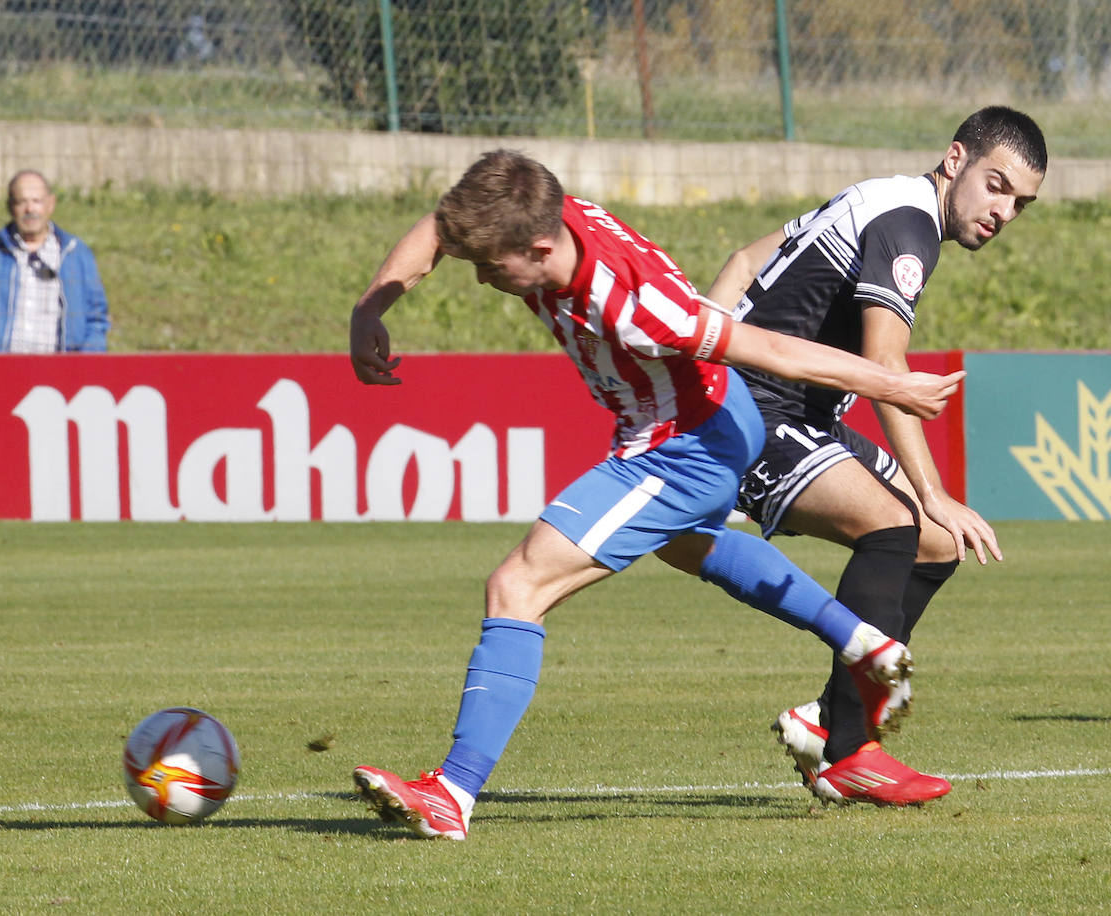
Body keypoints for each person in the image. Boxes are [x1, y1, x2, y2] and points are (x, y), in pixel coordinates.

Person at [347, 149, 967, 839]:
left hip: (685, 447)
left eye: (494, 267)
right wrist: (372, 306)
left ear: (541, 247)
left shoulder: (638, 305)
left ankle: (451, 793)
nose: (484, 277)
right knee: (688, 545)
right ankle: (861, 642)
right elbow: (441, 227)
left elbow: (771, 350)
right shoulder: (541, 210)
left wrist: (894, 385)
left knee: (517, 586)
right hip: (693, 421)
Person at [704, 106, 1047, 806]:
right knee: (895, 526)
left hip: (800, 414)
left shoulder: (882, 197)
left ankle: (829, 721)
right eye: (997, 186)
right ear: (956, 159)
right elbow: (886, 367)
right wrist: (934, 492)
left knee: (936, 545)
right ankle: (850, 752)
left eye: (1021, 202)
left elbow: (742, 262)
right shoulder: (908, 224)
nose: (1004, 212)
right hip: (757, 414)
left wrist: (701, 351)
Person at [0, 170, 110, 353]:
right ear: (10, 207)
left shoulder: (76, 254)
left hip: (59, 368)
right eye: (21, 202)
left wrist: (83, 365)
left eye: (37, 201)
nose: (30, 209)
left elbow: (97, 319)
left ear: (51, 204)